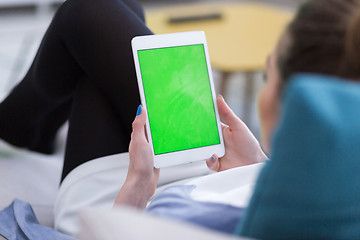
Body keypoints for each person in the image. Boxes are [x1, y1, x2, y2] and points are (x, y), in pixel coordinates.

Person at [1, 0, 360, 238]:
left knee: (87, 15)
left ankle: (18, 125)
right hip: (211, 168)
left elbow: (118, 231)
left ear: (289, 103)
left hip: (123, 204)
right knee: (120, 11)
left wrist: (137, 188)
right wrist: (256, 163)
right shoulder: (328, 188)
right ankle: (27, 129)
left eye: (269, 74)